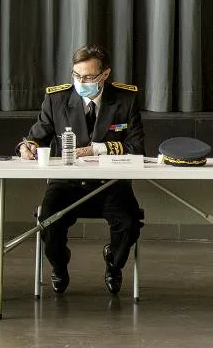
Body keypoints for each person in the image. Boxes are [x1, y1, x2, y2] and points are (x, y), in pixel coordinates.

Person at [17, 44, 144, 295]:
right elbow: (36, 137)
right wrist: (26, 147)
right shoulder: (57, 99)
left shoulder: (125, 100)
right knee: (48, 223)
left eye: (88, 77)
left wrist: (96, 149)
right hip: (67, 183)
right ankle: (59, 264)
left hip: (110, 183)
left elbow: (136, 147)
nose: (81, 82)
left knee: (129, 223)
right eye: (76, 75)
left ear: (105, 74)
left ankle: (113, 262)